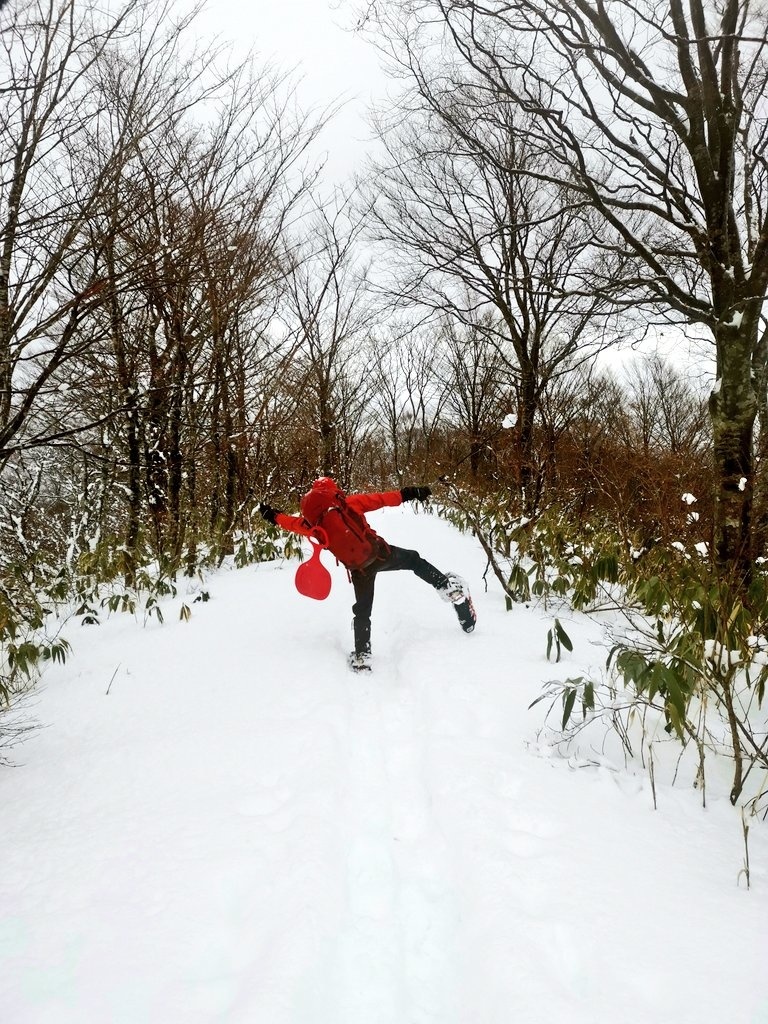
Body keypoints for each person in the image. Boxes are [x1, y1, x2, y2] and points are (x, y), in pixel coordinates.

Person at [258, 477, 476, 671]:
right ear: (333, 492)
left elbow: (290, 523)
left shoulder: (312, 524)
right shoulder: (348, 504)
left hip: (359, 569)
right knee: (414, 560)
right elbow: (381, 499)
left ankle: (362, 656)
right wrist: (410, 493)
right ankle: (448, 588)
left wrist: (271, 515)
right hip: (380, 555)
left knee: (362, 611)